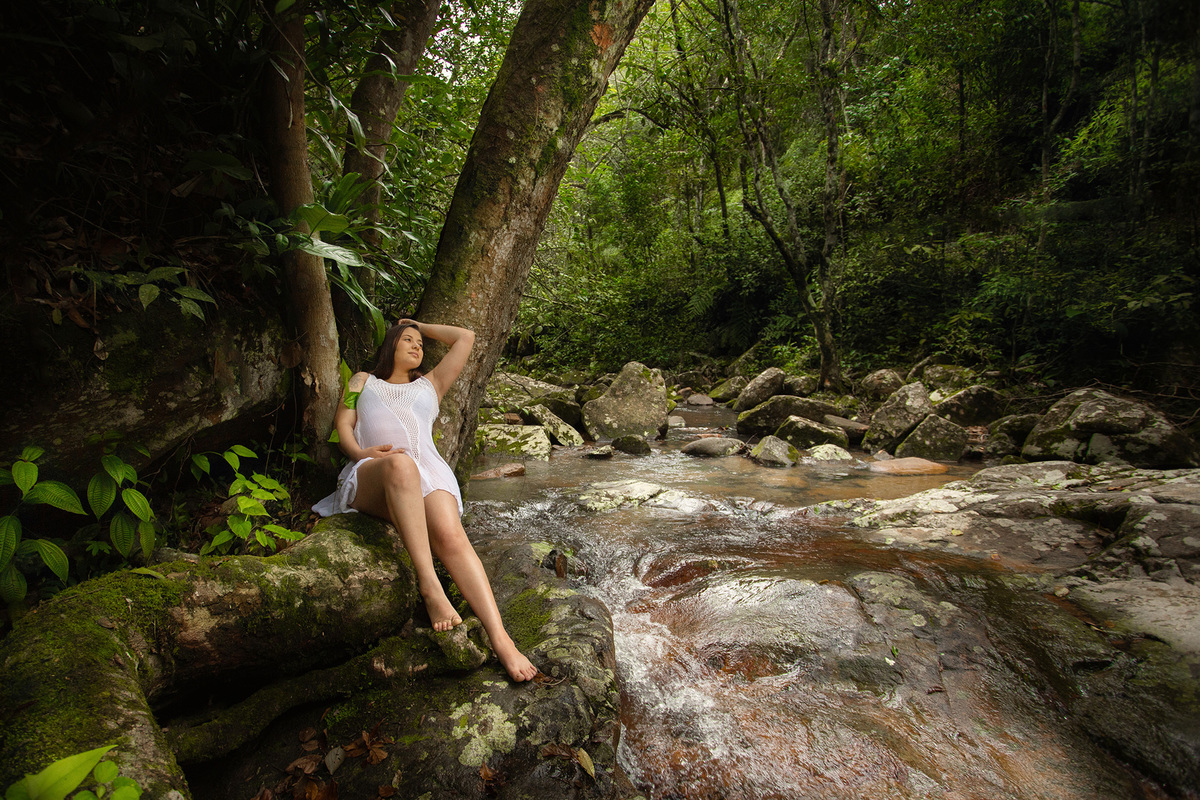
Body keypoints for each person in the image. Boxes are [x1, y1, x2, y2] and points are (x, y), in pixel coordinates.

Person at [313, 319, 538, 682]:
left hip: (429, 474)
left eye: (420, 342)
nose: (417, 345)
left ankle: (501, 638)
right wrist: (360, 453)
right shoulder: (361, 381)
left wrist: (417, 325)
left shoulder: (431, 385)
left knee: (450, 536)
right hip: (374, 471)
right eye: (407, 339)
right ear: (390, 345)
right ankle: (430, 585)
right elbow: (343, 424)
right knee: (400, 464)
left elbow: (466, 337)